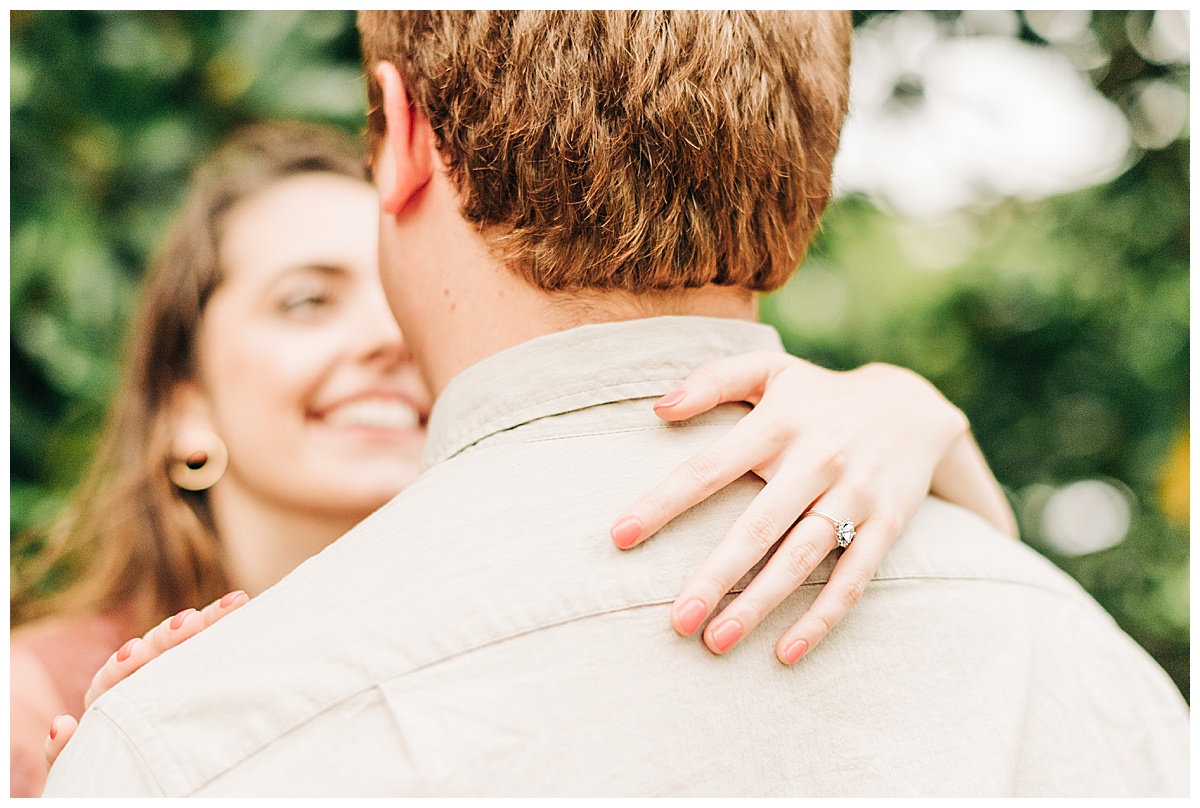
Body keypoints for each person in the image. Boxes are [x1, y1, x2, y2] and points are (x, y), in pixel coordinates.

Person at [45, 10, 1187, 796]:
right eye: (302, 301)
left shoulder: (186, 743)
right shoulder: (1096, 675)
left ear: (400, 139)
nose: (376, 344)